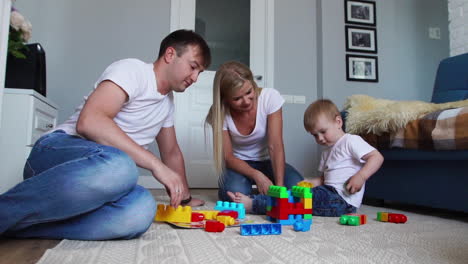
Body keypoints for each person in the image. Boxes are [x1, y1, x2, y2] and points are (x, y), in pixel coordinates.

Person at [0, 29, 211, 240]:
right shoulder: (133, 70)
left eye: (200, 72)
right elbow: (89, 122)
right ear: (170, 54)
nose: (195, 78)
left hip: (101, 175)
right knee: (122, 166)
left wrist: (184, 199)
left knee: (142, 209)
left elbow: (171, 152)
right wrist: (156, 165)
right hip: (56, 155)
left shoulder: (166, 103)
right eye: (193, 67)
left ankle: (20, 228)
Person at [205, 61, 303, 214]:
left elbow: (275, 146)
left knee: (298, 188)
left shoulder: (270, 97)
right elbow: (228, 157)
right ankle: (259, 194)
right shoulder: (220, 113)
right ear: (225, 99)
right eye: (237, 98)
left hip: (268, 160)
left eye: (249, 92)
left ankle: (258, 197)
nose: (246, 101)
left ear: (253, 83)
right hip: (240, 164)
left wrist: (279, 189)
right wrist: (257, 176)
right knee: (232, 194)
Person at [303, 99, 384, 216]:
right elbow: (323, 179)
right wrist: (309, 183)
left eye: (323, 131)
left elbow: (377, 157)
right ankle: (275, 203)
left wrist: (361, 176)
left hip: (343, 199)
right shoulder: (326, 151)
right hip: (328, 193)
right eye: (315, 135)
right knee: (302, 194)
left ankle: (278, 204)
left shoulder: (350, 141)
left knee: (305, 199)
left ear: (338, 122)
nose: (319, 138)